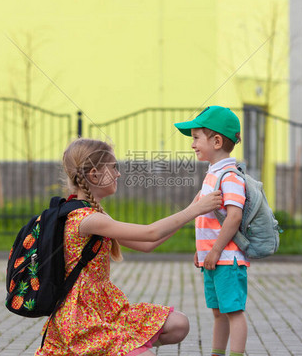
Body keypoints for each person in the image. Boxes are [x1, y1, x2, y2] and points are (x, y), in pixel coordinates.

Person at [35, 138, 222, 356]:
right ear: (94, 174)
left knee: (179, 324)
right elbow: (150, 232)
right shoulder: (85, 219)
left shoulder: (96, 213)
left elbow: (147, 244)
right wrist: (195, 210)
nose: (118, 174)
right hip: (80, 321)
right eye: (113, 167)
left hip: (105, 310)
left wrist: (192, 208)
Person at [174, 106, 248, 356]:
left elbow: (234, 216)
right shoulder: (212, 175)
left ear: (216, 141)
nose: (193, 144)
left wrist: (215, 250)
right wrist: (203, 251)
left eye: (196, 137)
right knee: (219, 313)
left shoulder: (230, 176)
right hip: (214, 258)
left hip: (227, 259)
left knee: (233, 312)